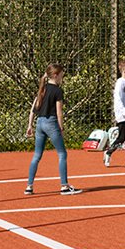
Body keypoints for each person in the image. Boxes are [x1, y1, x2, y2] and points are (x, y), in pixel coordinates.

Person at [25, 63, 82, 196]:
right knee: (62, 154)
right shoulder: (57, 91)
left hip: (39, 123)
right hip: (51, 123)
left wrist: (30, 125)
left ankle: (29, 186)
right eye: (61, 75)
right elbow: (59, 112)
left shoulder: (42, 88)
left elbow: (33, 109)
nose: (62, 78)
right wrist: (61, 127)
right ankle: (64, 186)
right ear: (55, 75)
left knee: (37, 155)